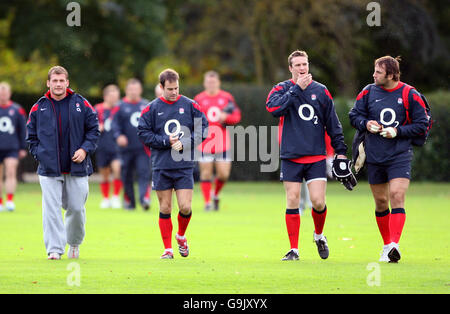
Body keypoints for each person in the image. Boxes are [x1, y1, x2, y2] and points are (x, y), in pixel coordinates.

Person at [266, 50, 348, 261]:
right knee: (292, 199)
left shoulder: (321, 91)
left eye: (305, 64)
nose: (302, 68)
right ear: (290, 68)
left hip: (315, 156)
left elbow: (333, 123)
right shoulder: (281, 89)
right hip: (291, 155)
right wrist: (296, 90)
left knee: (318, 202)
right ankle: (294, 249)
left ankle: (319, 235)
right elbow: (273, 108)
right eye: (298, 65)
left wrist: (340, 152)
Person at [349, 56, 428, 263]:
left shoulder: (410, 94)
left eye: (378, 72)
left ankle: (394, 244)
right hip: (374, 155)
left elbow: (422, 124)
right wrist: (366, 124)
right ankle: (386, 246)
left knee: (396, 194)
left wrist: (397, 131)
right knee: (382, 202)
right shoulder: (368, 91)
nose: (373, 75)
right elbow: (353, 116)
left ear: (391, 75)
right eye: (374, 70)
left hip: (399, 155)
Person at [26, 66, 99, 260]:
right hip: (49, 168)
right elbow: (31, 137)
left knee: (75, 208)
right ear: (48, 83)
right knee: (51, 209)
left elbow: (93, 129)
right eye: (54, 81)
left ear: (67, 83)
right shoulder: (38, 107)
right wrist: (40, 155)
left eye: (61, 81)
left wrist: (84, 150)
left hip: (77, 167)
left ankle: (74, 244)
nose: (58, 84)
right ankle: (54, 249)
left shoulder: (81, 103)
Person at [137, 69, 208, 259]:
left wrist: (184, 143)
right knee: (165, 208)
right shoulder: (151, 108)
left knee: (185, 207)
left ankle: (181, 236)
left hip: (184, 165)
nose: (174, 92)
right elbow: (143, 133)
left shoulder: (191, 105)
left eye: (176, 88)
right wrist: (164, 141)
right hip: (161, 165)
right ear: (161, 87)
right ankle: (168, 249)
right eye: (170, 89)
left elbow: (203, 129)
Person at [194, 71, 241, 211]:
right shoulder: (199, 99)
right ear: (204, 83)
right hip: (205, 142)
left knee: (224, 174)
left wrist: (226, 117)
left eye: (213, 82)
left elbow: (236, 116)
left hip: (222, 142)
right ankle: (207, 202)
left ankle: (215, 194)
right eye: (208, 82)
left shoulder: (226, 98)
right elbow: (193, 120)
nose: (211, 84)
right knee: (206, 172)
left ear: (218, 83)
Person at [112, 79, 151, 210]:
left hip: (143, 148)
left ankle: (144, 199)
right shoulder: (120, 106)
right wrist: (119, 136)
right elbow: (114, 124)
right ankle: (129, 201)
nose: (134, 92)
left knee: (144, 173)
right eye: (131, 89)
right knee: (126, 175)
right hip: (126, 148)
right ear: (127, 90)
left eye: (136, 89)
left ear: (140, 90)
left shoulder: (146, 105)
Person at [0, 82, 27, 212]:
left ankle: (10, 200)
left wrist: (23, 147)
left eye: (5, 93)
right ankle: (0, 202)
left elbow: (23, 129)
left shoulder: (17, 109)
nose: (3, 96)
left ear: (9, 94)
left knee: (10, 172)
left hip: (12, 147)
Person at [94, 84, 122, 209]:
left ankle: (116, 196)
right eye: (112, 96)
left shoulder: (119, 109)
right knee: (104, 173)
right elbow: (89, 126)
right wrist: (97, 128)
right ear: (106, 96)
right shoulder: (97, 109)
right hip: (102, 146)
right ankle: (106, 198)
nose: (115, 98)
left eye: (116, 96)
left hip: (116, 147)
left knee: (117, 170)